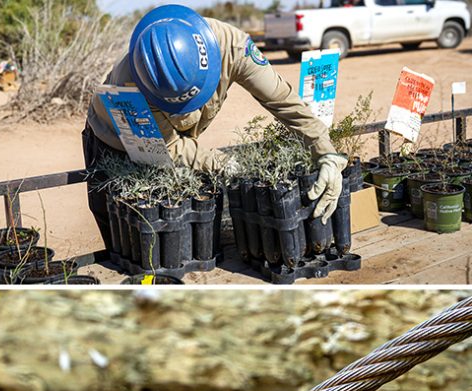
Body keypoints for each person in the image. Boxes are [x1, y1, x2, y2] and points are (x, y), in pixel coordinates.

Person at [83, 4, 348, 252]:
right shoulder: (128, 84)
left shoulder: (232, 47)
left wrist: (326, 153)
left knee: (185, 238)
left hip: (179, 143)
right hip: (116, 142)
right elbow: (167, 149)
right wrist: (224, 164)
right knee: (130, 241)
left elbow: (282, 100)